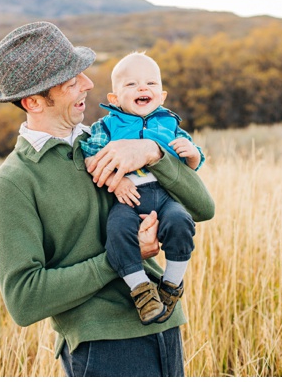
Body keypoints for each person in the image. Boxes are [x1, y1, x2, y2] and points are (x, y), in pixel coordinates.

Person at [0, 21, 214, 377]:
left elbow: (204, 209)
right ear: (33, 101)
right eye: (71, 81)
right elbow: (24, 300)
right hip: (103, 347)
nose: (89, 84)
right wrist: (120, 258)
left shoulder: (108, 141)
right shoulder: (13, 182)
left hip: (165, 327)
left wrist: (154, 152)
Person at [80, 52, 203, 325]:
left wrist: (193, 155)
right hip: (128, 198)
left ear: (162, 95)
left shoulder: (170, 124)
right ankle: (141, 289)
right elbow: (90, 157)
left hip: (164, 196)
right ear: (114, 99)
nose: (143, 88)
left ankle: (171, 285)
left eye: (150, 83)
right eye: (131, 84)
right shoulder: (107, 127)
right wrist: (116, 179)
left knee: (180, 220)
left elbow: (191, 166)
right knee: (117, 230)